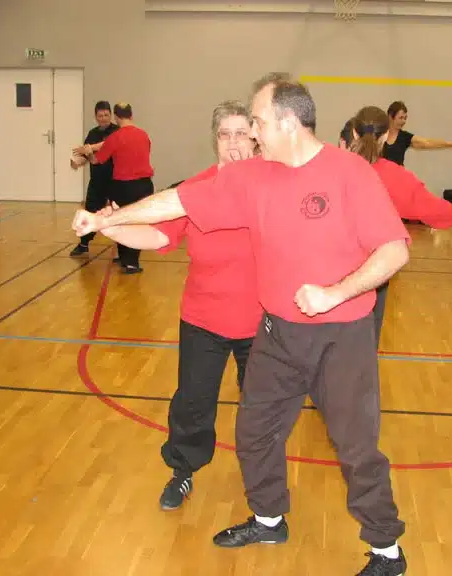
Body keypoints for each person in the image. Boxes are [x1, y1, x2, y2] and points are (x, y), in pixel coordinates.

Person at [73, 73, 411, 576]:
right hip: (276, 331)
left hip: (341, 336)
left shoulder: (349, 173)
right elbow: (177, 201)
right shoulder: (253, 176)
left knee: (356, 446)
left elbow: (394, 250)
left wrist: (336, 292)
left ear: (288, 123)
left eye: (256, 122)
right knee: (254, 432)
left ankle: (387, 550)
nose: (251, 133)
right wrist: (105, 221)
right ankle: (269, 518)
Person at [98, 100, 262, 510]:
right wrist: (110, 226)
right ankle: (183, 471)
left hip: (262, 321)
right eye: (224, 135)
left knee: (263, 408)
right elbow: (157, 236)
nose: (233, 143)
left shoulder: (273, 187)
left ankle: (264, 484)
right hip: (204, 319)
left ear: (257, 138)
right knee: (192, 403)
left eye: (242, 134)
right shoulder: (195, 190)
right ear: (215, 140)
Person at [342, 106, 452, 346]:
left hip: (325, 273)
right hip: (373, 273)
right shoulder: (395, 176)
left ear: (353, 133)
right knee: (364, 345)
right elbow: (444, 215)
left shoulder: (328, 167)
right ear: (385, 136)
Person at [73, 102, 154, 274]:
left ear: (116, 117)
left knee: (123, 221)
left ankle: (129, 261)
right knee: (136, 222)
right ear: (131, 115)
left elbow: (96, 160)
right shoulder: (144, 134)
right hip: (145, 185)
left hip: (124, 186)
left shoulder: (115, 137)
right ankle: (128, 260)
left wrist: (89, 152)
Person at [69, 101, 119, 257]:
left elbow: (106, 145)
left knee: (119, 213)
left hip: (116, 180)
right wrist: (77, 161)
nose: (103, 118)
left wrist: (91, 148)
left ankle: (123, 251)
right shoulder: (92, 133)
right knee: (90, 211)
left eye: (106, 115)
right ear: (96, 117)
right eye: (100, 116)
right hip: (97, 180)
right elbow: (85, 155)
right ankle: (84, 244)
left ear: (111, 115)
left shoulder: (117, 131)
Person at [383, 101, 452, 166]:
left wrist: (450, 144)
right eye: (401, 118)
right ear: (390, 116)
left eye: (405, 118)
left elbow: (427, 142)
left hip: (397, 177)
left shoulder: (404, 137)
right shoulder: (379, 133)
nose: (404, 121)